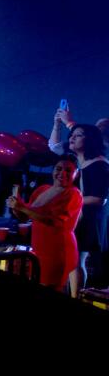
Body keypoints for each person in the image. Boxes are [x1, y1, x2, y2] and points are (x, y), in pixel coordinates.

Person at [8, 155, 83, 292]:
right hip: (39, 249)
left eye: (68, 170)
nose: (62, 173)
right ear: (53, 170)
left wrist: (22, 208)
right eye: (59, 169)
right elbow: (25, 217)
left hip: (58, 251)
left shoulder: (73, 194)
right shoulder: (42, 189)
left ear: (76, 174)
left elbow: (53, 221)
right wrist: (15, 207)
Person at [67, 124, 107, 293]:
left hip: (89, 220)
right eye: (72, 135)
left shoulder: (98, 164)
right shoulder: (81, 162)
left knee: (76, 261)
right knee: (74, 262)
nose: (72, 138)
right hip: (81, 217)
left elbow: (99, 198)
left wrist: (69, 202)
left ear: (89, 140)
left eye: (79, 135)